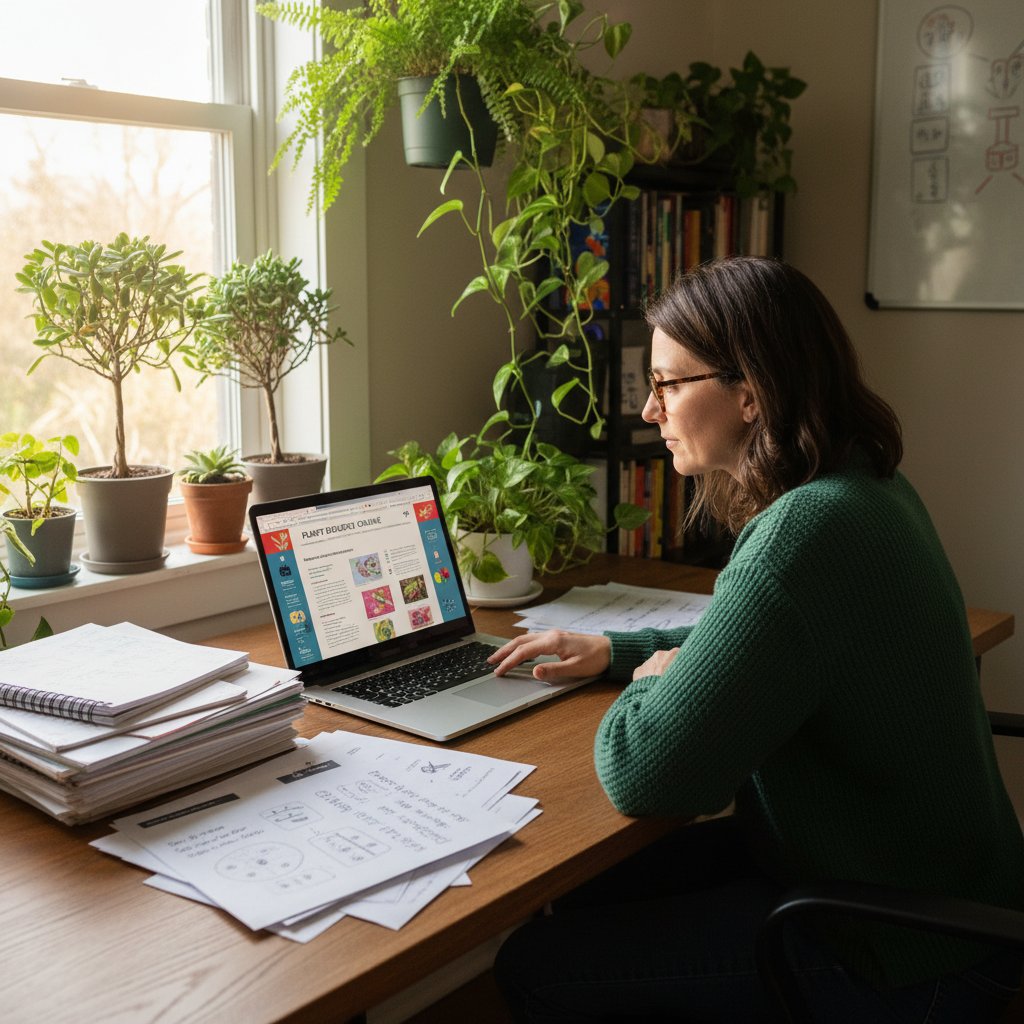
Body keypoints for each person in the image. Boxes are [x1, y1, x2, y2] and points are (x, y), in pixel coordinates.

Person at [486, 256, 1024, 1022]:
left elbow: (647, 773)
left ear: (750, 392)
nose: (649, 410)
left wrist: (654, 687)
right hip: (934, 893)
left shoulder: (805, 532)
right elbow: (771, 641)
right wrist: (621, 651)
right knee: (585, 891)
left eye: (669, 383)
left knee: (536, 965)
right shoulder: (863, 485)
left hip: (906, 951)